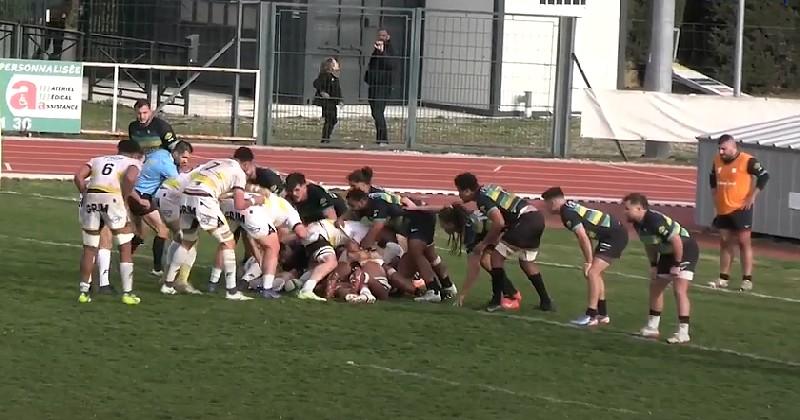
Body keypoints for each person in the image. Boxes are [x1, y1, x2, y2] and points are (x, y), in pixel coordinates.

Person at [161, 147, 261, 301]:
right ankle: (232, 291)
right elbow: (240, 204)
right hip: (204, 198)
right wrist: (255, 200)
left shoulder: (216, 161)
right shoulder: (239, 172)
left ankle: (167, 285)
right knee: (228, 242)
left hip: (187, 196)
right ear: (247, 163)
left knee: (187, 242)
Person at [453, 174, 553, 312]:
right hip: (536, 218)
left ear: (467, 191)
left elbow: (499, 222)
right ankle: (546, 301)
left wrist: (483, 245)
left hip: (524, 221)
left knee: (496, 257)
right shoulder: (490, 188)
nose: (459, 195)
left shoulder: (482, 199)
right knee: (526, 262)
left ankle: (497, 300)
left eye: (459, 191)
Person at [344, 188, 455, 302]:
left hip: (418, 217)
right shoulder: (370, 200)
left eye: (353, 205)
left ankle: (433, 289)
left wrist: (363, 247)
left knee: (416, 252)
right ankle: (447, 285)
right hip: (419, 215)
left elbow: (378, 227)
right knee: (428, 254)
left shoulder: (377, 204)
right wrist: (341, 218)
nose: (352, 209)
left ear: (362, 201)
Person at [541, 187, 628, 327]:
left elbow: (583, 237)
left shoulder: (567, 213)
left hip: (614, 236)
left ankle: (591, 315)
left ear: (553, 202)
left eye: (546, 203)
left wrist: (588, 261)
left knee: (593, 272)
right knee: (596, 273)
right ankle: (602, 314)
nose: (546, 206)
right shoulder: (569, 207)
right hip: (611, 234)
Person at [73, 140, 144, 305]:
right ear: (135, 153)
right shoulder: (133, 162)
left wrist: (85, 192)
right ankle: (127, 293)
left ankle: (84, 292)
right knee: (125, 246)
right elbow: (130, 177)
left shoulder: (98, 159)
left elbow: (78, 176)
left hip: (91, 197)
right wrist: (125, 197)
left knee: (90, 248)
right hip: (112, 197)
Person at [623, 193, 698, 344]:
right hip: (666, 252)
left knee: (679, 289)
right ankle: (652, 327)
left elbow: (676, 240)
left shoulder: (654, 220)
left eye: (627, 208)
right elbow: (649, 244)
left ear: (639, 208)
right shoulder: (639, 223)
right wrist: (653, 265)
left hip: (685, 248)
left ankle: (683, 332)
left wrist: (677, 265)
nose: (624, 212)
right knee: (656, 287)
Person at [708, 134, 770, 291]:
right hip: (723, 208)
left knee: (744, 242)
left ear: (733, 147)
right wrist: (715, 198)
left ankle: (747, 280)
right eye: (719, 149)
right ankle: (723, 278)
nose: (721, 152)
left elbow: (764, 176)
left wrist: (752, 196)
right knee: (725, 242)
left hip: (741, 208)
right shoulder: (716, 160)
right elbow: (713, 180)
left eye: (724, 149)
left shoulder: (747, 160)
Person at [129, 140, 193, 277]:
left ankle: (126, 258)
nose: (185, 160)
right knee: (162, 230)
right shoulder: (168, 166)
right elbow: (181, 183)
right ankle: (157, 269)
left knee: (140, 234)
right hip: (141, 196)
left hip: (133, 193)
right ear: (176, 153)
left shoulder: (161, 153)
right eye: (184, 157)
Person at [364, 29, 394, 145]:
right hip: (373, 85)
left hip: (383, 85)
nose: (381, 38)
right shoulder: (375, 51)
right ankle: (379, 139)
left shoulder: (390, 49)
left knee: (378, 112)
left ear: (388, 37)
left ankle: (384, 139)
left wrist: (382, 52)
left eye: (383, 35)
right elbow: (371, 65)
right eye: (379, 36)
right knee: (374, 112)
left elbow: (391, 64)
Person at [313, 57, 343, 143]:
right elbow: (316, 83)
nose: (337, 65)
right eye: (335, 64)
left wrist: (340, 100)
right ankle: (325, 138)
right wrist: (322, 92)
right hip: (327, 102)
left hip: (333, 102)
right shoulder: (324, 75)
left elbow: (337, 90)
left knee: (333, 120)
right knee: (329, 119)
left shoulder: (335, 77)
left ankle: (327, 137)